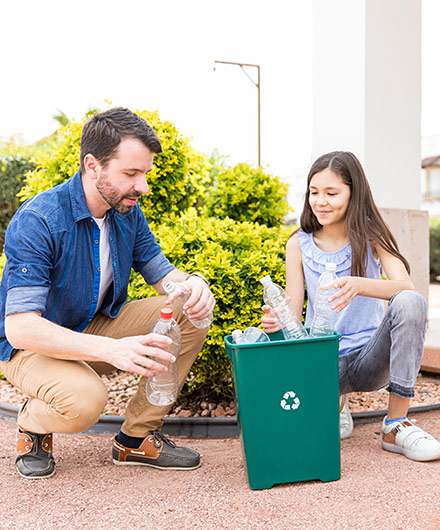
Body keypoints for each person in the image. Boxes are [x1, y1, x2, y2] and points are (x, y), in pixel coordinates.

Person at [0, 107, 216, 479]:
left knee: (187, 313)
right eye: (131, 174)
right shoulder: (39, 220)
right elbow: (21, 328)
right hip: (31, 346)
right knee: (86, 402)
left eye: (145, 173)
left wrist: (194, 284)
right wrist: (112, 350)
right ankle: (33, 422)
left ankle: (135, 439)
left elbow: (164, 277)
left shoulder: (126, 211)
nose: (142, 186)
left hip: (93, 327)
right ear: (92, 165)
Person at [262, 151, 440, 462]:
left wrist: (359, 284)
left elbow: (406, 288)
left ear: (353, 193)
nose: (321, 201)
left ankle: (396, 425)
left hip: (370, 356)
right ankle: (337, 401)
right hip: (323, 362)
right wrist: (276, 321)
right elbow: (291, 309)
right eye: (314, 192)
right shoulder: (298, 243)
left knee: (410, 303)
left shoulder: (371, 235)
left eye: (332, 193)